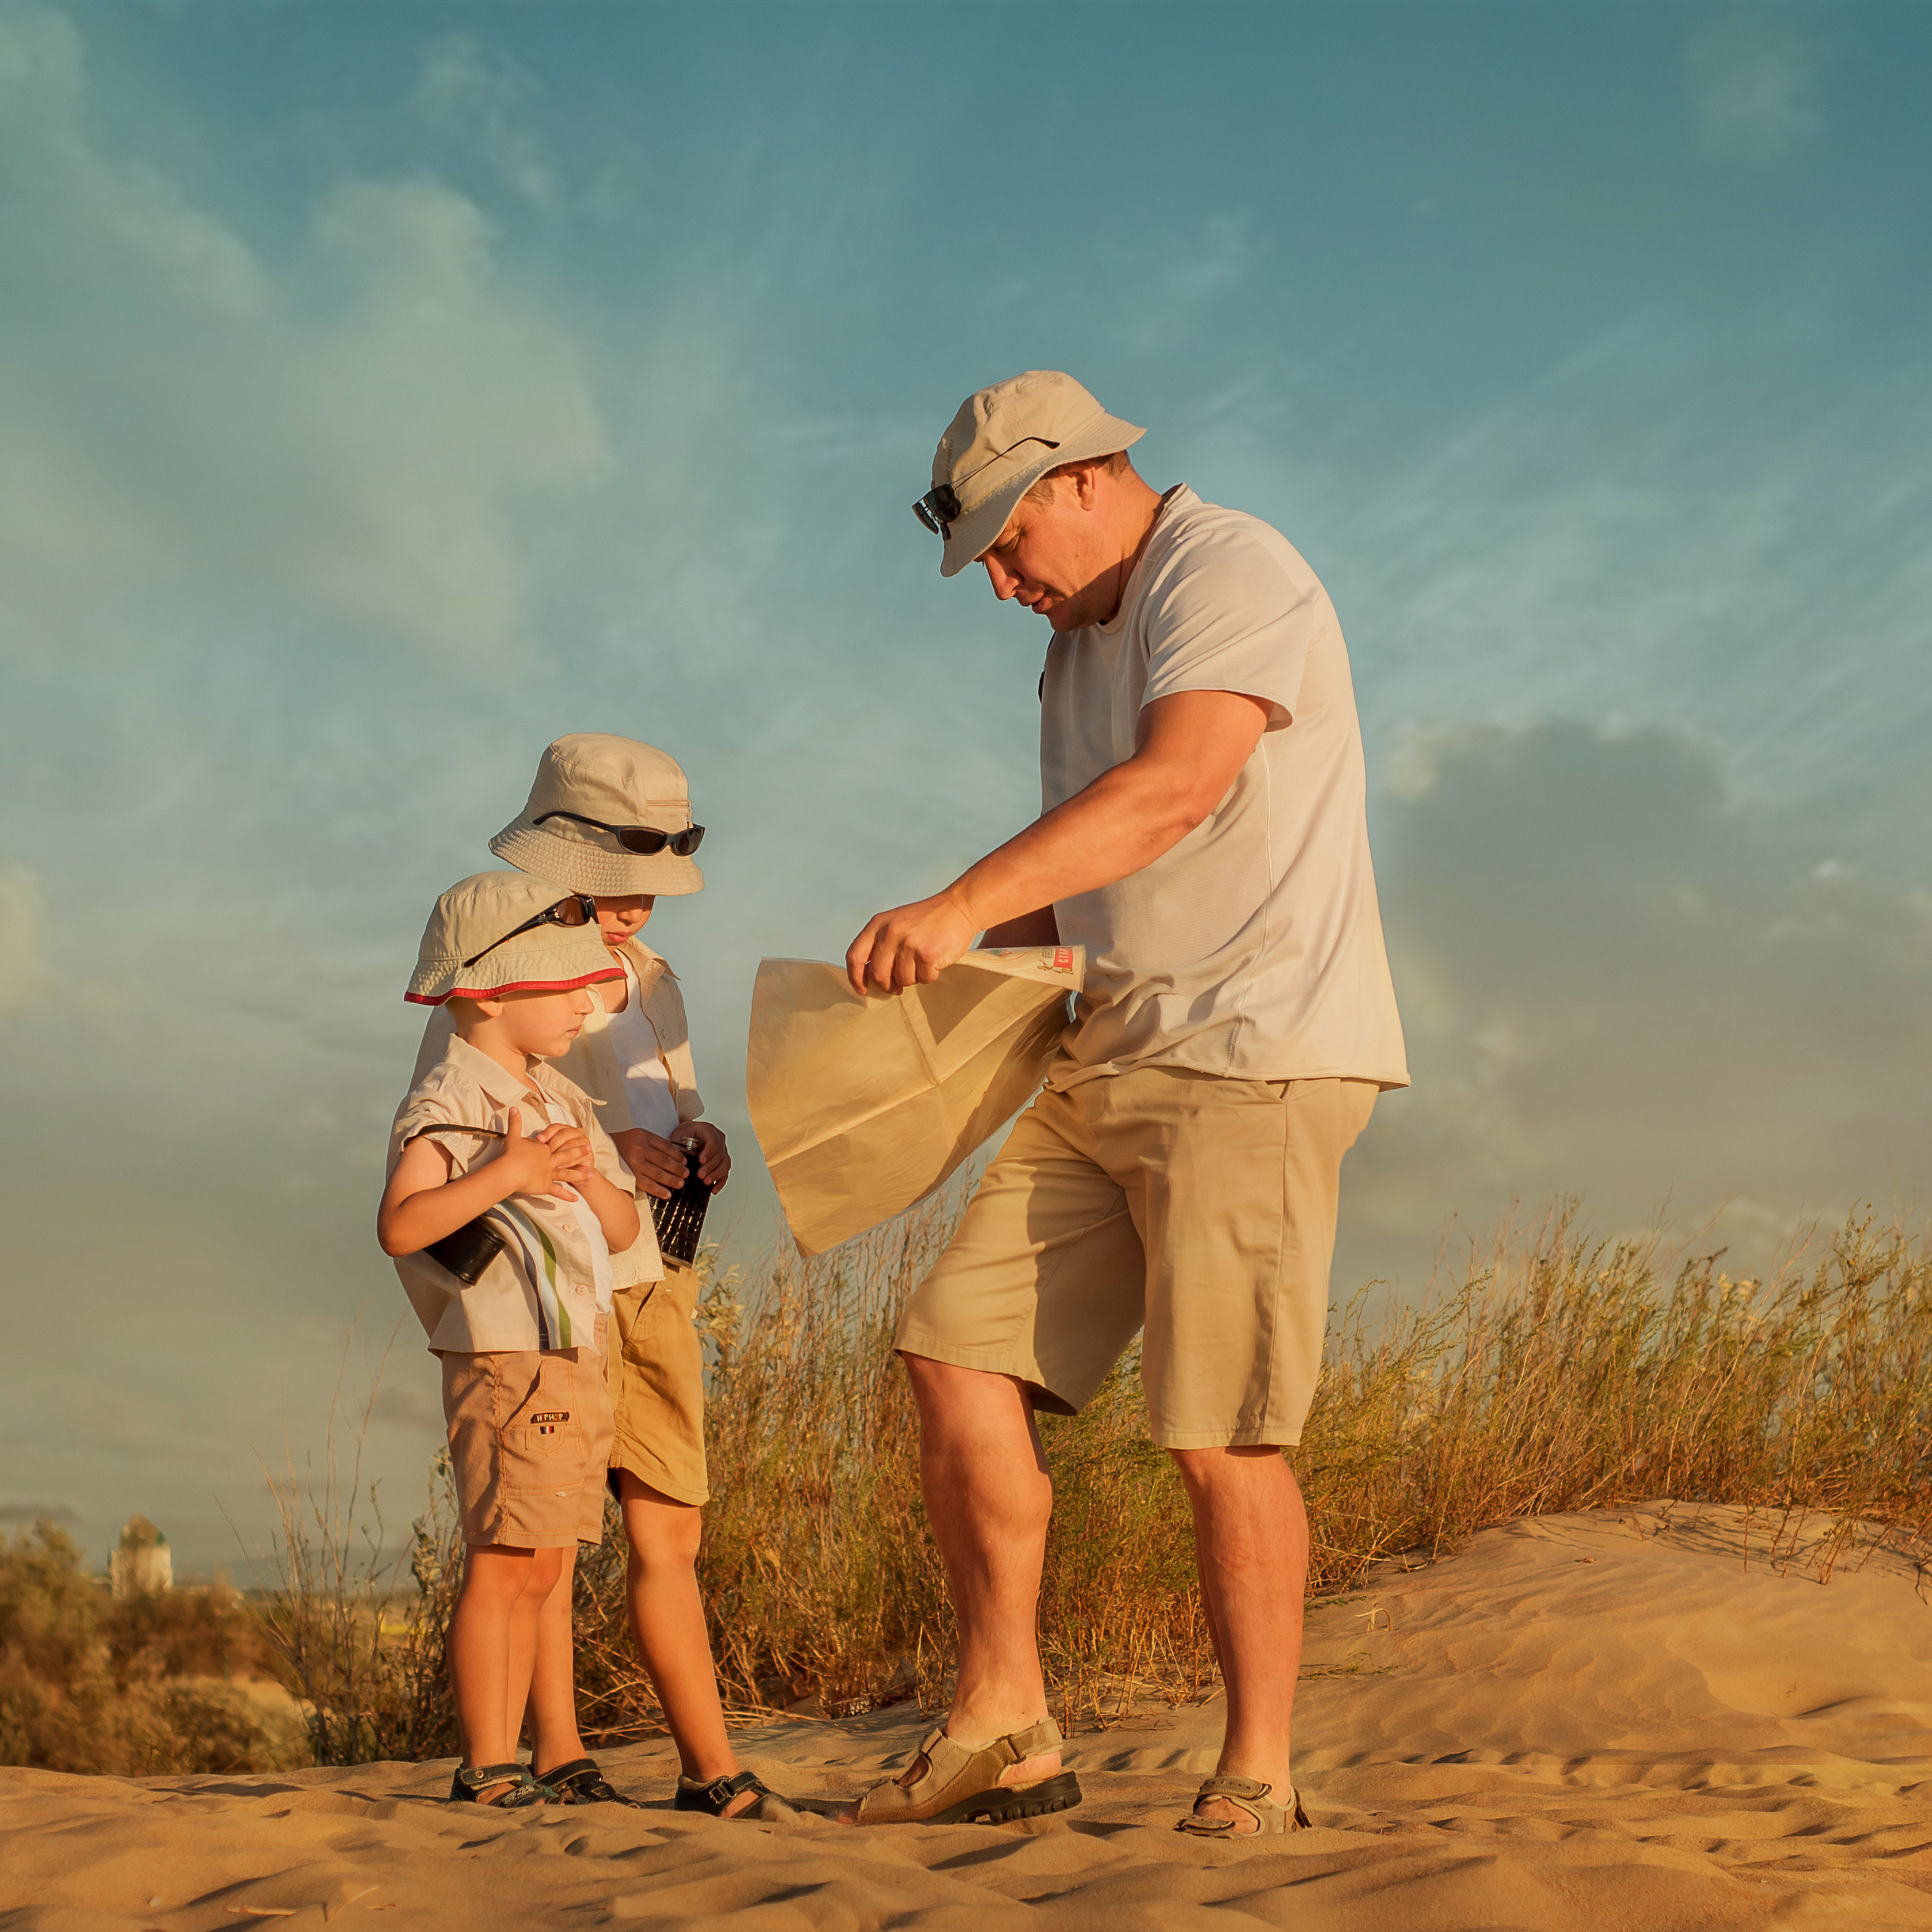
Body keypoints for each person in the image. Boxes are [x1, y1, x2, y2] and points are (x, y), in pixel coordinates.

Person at [843, 371, 1408, 1834]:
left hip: (1252, 1047)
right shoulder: (1065, 652)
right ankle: (1002, 1723)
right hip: (1108, 1052)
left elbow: (1176, 785)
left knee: (1217, 1427)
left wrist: (962, 899)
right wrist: (941, 990)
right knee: (951, 1352)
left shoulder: (1227, 566)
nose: (1001, 585)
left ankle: (1256, 1768)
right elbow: (1083, 886)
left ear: (1083, 477)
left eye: (1008, 546)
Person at [412, 734, 783, 1821]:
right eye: (614, 886)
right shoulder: (508, 963)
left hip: (658, 1265)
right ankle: (559, 1751)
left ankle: (710, 1766)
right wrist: (614, 1147)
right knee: (553, 1525)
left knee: (670, 1517)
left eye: (649, 894)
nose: (631, 911)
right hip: (564, 1282)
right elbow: (489, 1114)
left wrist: (700, 1137)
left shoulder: (657, 983)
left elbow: (663, 1103)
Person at [379, 871, 641, 1807]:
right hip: (503, 1356)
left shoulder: (560, 1097)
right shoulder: (455, 1096)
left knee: (551, 1556)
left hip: (573, 1348)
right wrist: (510, 1170)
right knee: (503, 1559)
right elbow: (403, 1224)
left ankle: (544, 1750)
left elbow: (616, 1230)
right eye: (562, 986)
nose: (584, 1003)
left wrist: (581, 1173)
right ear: (486, 993)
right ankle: (487, 1761)